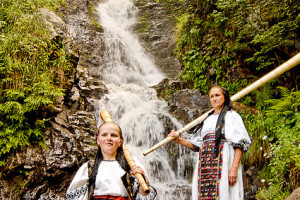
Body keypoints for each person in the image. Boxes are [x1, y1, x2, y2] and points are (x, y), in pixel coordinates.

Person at [168, 86, 251, 200]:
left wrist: (234, 168)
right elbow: (198, 145)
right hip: (205, 164)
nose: (214, 99)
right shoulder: (206, 119)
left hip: (225, 161)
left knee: (224, 192)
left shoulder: (232, 116)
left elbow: (240, 144)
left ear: (225, 97)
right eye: (211, 96)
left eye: (217, 95)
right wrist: (178, 140)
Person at [66, 121, 157, 200]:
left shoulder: (131, 164)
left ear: (120, 141)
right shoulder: (88, 167)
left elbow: (143, 196)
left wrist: (142, 181)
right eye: (104, 135)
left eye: (113, 135)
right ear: (98, 140)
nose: (109, 138)